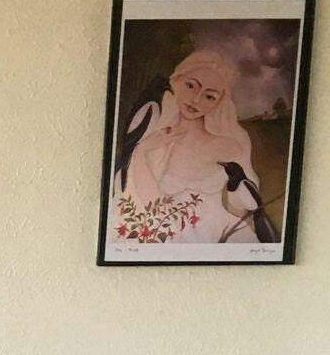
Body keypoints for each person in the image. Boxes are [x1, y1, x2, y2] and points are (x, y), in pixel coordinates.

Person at [112, 49, 273, 246]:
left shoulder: (231, 145)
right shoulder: (158, 138)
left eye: (209, 96)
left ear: (219, 102)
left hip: (221, 236)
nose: (196, 99)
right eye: (190, 86)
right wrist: (143, 150)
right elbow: (148, 206)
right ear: (177, 81)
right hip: (169, 236)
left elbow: (242, 210)